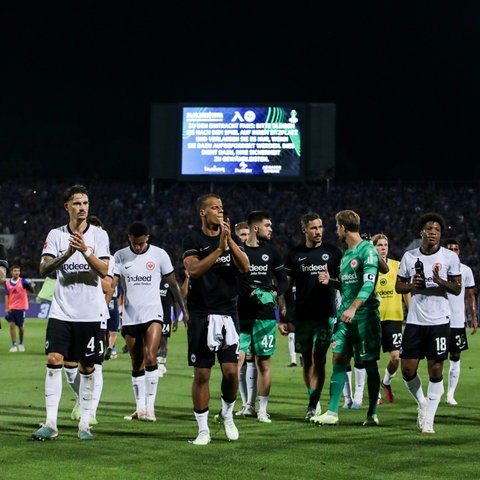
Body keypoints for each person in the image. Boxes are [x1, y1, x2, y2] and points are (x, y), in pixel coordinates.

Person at [32, 184, 110, 441]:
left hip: (91, 313)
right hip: (62, 311)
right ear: (67, 207)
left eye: (85, 203)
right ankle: (51, 423)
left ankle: (85, 424)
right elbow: (44, 268)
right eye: (77, 203)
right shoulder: (55, 235)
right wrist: (67, 253)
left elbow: (103, 271)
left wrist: (85, 251)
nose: (83, 207)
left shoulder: (100, 236)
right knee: (54, 358)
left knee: (88, 366)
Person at [182, 193, 250, 445]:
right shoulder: (193, 239)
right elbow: (194, 270)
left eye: (221, 208)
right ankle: (202, 430)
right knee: (202, 374)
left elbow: (245, 267)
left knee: (232, 373)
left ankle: (227, 415)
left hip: (228, 312)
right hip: (202, 314)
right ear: (203, 213)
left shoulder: (230, 240)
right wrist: (219, 249)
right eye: (214, 208)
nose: (220, 212)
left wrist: (229, 242)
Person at [310, 209, 381, 427]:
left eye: (335, 227)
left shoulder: (367, 251)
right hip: (344, 318)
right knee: (338, 359)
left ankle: (372, 413)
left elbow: (369, 283)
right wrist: (330, 281)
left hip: (365, 316)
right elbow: (347, 285)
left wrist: (353, 308)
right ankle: (332, 412)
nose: (335, 231)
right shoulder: (346, 255)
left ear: (342, 227)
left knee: (368, 363)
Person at [112, 221, 188, 422]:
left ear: (147, 239)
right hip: (130, 316)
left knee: (150, 356)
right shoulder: (119, 256)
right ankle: (140, 408)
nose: (138, 247)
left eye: (141, 243)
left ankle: (151, 408)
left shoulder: (159, 255)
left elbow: (173, 284)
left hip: (153, 315)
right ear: (129, 238)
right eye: (135, 243)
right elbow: (112, 284)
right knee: (136, 362)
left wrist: (184, 311)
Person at [396, 212, 462, 434]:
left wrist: (440, 281)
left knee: (435, 369)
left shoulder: (449, 258)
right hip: (415, 320)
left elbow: (457, 288)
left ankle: (429, 421)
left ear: (440, 234)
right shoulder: (409, 257)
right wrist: (413, 285)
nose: (433, 232)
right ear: (421, 232)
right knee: (407, 369)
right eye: (429, 229)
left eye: (437, 230)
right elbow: (399, 287)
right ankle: (422, 403)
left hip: (440, 320)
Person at [279, 212, 342, 420]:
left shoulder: (332, 252)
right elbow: (285, 286)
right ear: (304, 229)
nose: (318, 231)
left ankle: (312, 404)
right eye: (314, 228)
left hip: (325, 315)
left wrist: (330, 279)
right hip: (303, 317)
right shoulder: (294, 255)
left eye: (321, 227)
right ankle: (312, 398)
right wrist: (285, 314)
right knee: (306, 360)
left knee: (319, 358)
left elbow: (344, 282)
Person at [236, 210, 288, 423]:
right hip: (240, 314)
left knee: (263, 363)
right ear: (255, 228)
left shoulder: (272, 252)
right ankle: (241, 405)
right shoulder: (238, 251)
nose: (271, 229)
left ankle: (262, 409)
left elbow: (283, 280)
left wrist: (274, 293)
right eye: (268, 225)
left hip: (265, 315)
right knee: (235, 361)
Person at [372, 233, 411, 403]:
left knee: (396, 358)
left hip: (394, 318)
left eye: (385, 245)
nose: (383, 248)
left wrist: (411, 312)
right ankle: (376, 394)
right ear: (373, 248)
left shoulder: (397, 266)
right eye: (379, 245)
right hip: (373, 319)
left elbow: (406, 291)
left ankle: (386, 382)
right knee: (371, 359)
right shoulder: (368, 267)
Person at [443, 237, 477, 405]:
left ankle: (450, 394)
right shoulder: (438, 269)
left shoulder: (466, 270)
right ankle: (436, 390)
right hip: (439, 320)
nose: (453, 252)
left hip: (457, 321)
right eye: (449, 249)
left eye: (455, 249)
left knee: (455, 357)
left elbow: (470, 296)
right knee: (436, 357)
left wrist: (474, 317)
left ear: (459, 252)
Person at [233, 220, 258, 417]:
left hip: (256, 314)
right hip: (236, 313)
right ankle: (244, 403)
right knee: (238, 359)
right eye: (241, 235)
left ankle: (251, 403)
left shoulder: (258, 255)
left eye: (246, 234)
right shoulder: (232, 257)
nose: (244, 238)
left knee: (254, 359)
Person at [4, 265, 35, 352]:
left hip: (21, 308)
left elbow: (32, 291)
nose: (17, 272)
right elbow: (6, 296)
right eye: (15, 271)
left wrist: (31, 285)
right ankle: (14, 345)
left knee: (21, 327)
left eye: (18, 271)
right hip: (11, 307)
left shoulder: (23, 281)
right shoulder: (7, 283)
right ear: (11, 272)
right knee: (11, 326)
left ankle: (21, 343)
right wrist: (6, 308)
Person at [157, 273, 182, 377]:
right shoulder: (155, 280)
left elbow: (175, 301)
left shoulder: (169, 284)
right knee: (154, 342)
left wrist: (176, 319)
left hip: (165, 317)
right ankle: (156, 363)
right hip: (154, 316)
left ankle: (161, 365)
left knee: (163, 341)